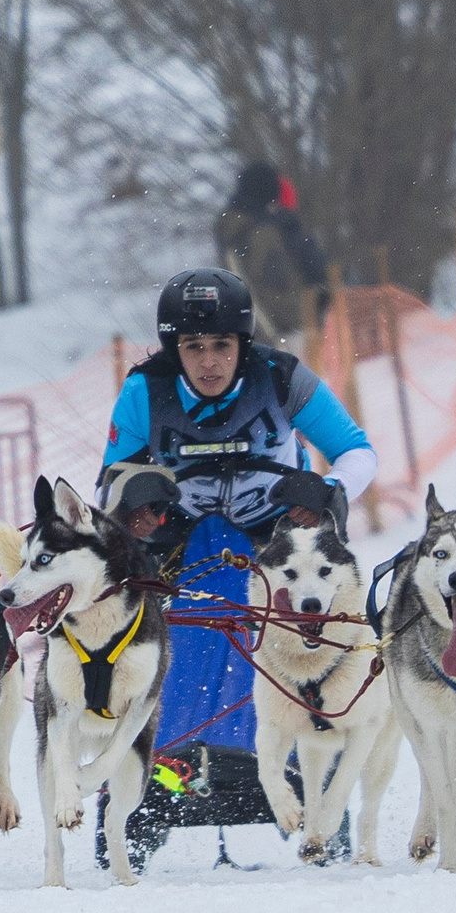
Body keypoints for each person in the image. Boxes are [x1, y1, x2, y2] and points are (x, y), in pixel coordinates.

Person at [92, 267, 377, 868]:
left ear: (243, 344)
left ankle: (312, 785)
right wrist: (134, 505)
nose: (209, 362)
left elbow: (357, 451)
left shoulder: (282, 378)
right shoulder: (145, 391)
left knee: (305, 652)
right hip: (181, 544)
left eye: (222, 346)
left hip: (275, 544)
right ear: (175, 349)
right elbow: (111, 484)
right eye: (193, 348)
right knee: (154, 644)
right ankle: (153, 782)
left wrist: (327, 491)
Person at [213, 162, 329, 352]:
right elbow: (255, 289)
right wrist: (274, 338)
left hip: (292, 330)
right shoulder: (249, 234)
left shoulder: (266, 229)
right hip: (279, 336)